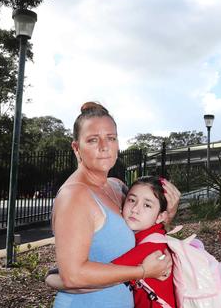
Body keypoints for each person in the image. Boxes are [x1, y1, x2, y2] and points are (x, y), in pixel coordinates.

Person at [52, 102, 181, 308]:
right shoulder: (74, 196)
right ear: (76, 148)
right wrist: (143, 272)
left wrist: (167, 213)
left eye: (111, 138)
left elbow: (140, 228)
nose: (104, 147)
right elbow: (73, 276)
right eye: (93, 140)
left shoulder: (118, 187)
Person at [48, 176, 177, 308]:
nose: (135, 209)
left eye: (147, 205)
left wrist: (51, 279)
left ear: (161, 216)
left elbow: (98, 278)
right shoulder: (153, 236)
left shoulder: (149, 248)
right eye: (132, 200)